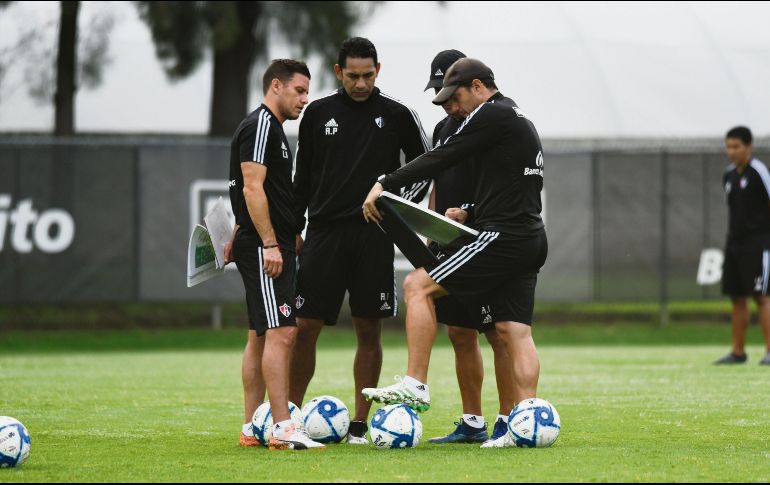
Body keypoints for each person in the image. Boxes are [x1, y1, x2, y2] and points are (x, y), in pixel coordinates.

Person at [360, 59, 548, 450]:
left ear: (478, 86)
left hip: (501, 237)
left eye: (456, 97)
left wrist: (386, 182)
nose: (453, 108)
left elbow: (443, 157)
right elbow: (519, 188)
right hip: (529, 236)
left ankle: (414, 384)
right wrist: (471, 213)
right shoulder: (518, 118)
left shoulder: (491, 115)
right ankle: (524, 424)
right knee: (515, 331)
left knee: (417, 287)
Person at [289, 37, 430, 445]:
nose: (361, 83)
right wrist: (294, 226)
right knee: (305, 326)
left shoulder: (398, 114)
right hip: (324, 234)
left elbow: (424, 165)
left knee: (369, 328)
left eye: (368, 75)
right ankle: (293, 417)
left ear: (378, 71)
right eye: (353, 76)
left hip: (374, 236)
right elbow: (303, 178)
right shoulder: (317, 114)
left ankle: (359, 425)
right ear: (338, 73)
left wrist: (398, 208)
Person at [225, 59, 323, 450]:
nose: (305, 98)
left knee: (260, 335)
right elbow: (251, 189)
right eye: (299, 90)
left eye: (307, 90)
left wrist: (241, 232)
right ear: (276, 86)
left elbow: (251, 190)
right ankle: (283, 427)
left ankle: (251, 427)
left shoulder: (269, 128)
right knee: (283, 333)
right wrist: (269, 242)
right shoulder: (262, 125)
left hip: (265, 241)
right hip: (268, 248)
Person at [420, 50, 517, 447]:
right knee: (460, 331)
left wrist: (474, 214)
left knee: (497, 332)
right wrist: (430, 223)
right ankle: (472, 421)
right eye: (441, 94)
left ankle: (509, 420)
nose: (449, 103)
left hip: (486, 238)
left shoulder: (491, 124)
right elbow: (437, 180)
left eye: (450, 93)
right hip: (448, 239)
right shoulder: (444, 129)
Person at [715, 126, 770, 365]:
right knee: (737, 296)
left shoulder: (759, 172)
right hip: (734, 243)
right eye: (728, 146)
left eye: (736, 146)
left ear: (749, 147)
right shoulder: (729, 175)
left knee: (762, 296)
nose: (732, 151)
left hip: (758, 243)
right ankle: (738, 352)